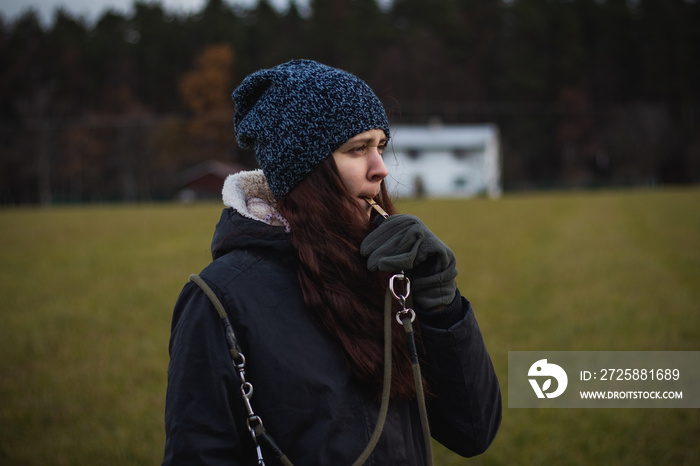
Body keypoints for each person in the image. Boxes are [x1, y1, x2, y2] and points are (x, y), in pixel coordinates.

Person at [162, 59, 501, 466]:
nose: (380, 169)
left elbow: (473, 431)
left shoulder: (387, 270)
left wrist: (441, 302)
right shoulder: (219, 301)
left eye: (380, 146)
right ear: (303, 170)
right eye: (357, 149)